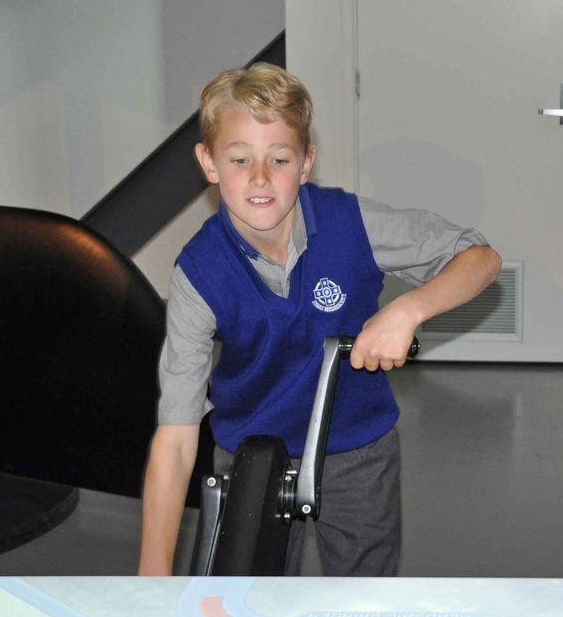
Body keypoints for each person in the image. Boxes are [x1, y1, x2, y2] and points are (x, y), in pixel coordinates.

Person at [139, 63, 501, 576]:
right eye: (240, 160)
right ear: (209, 163)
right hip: (248, 455)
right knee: (248, 601)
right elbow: (176, 439)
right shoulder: (198, 274)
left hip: (357, 450)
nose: (260, 177)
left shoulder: (351, 224)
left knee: (362, 602)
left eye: (279, 159)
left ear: (306, 162)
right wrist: (151, 578)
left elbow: (481, 259)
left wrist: (407, 310)